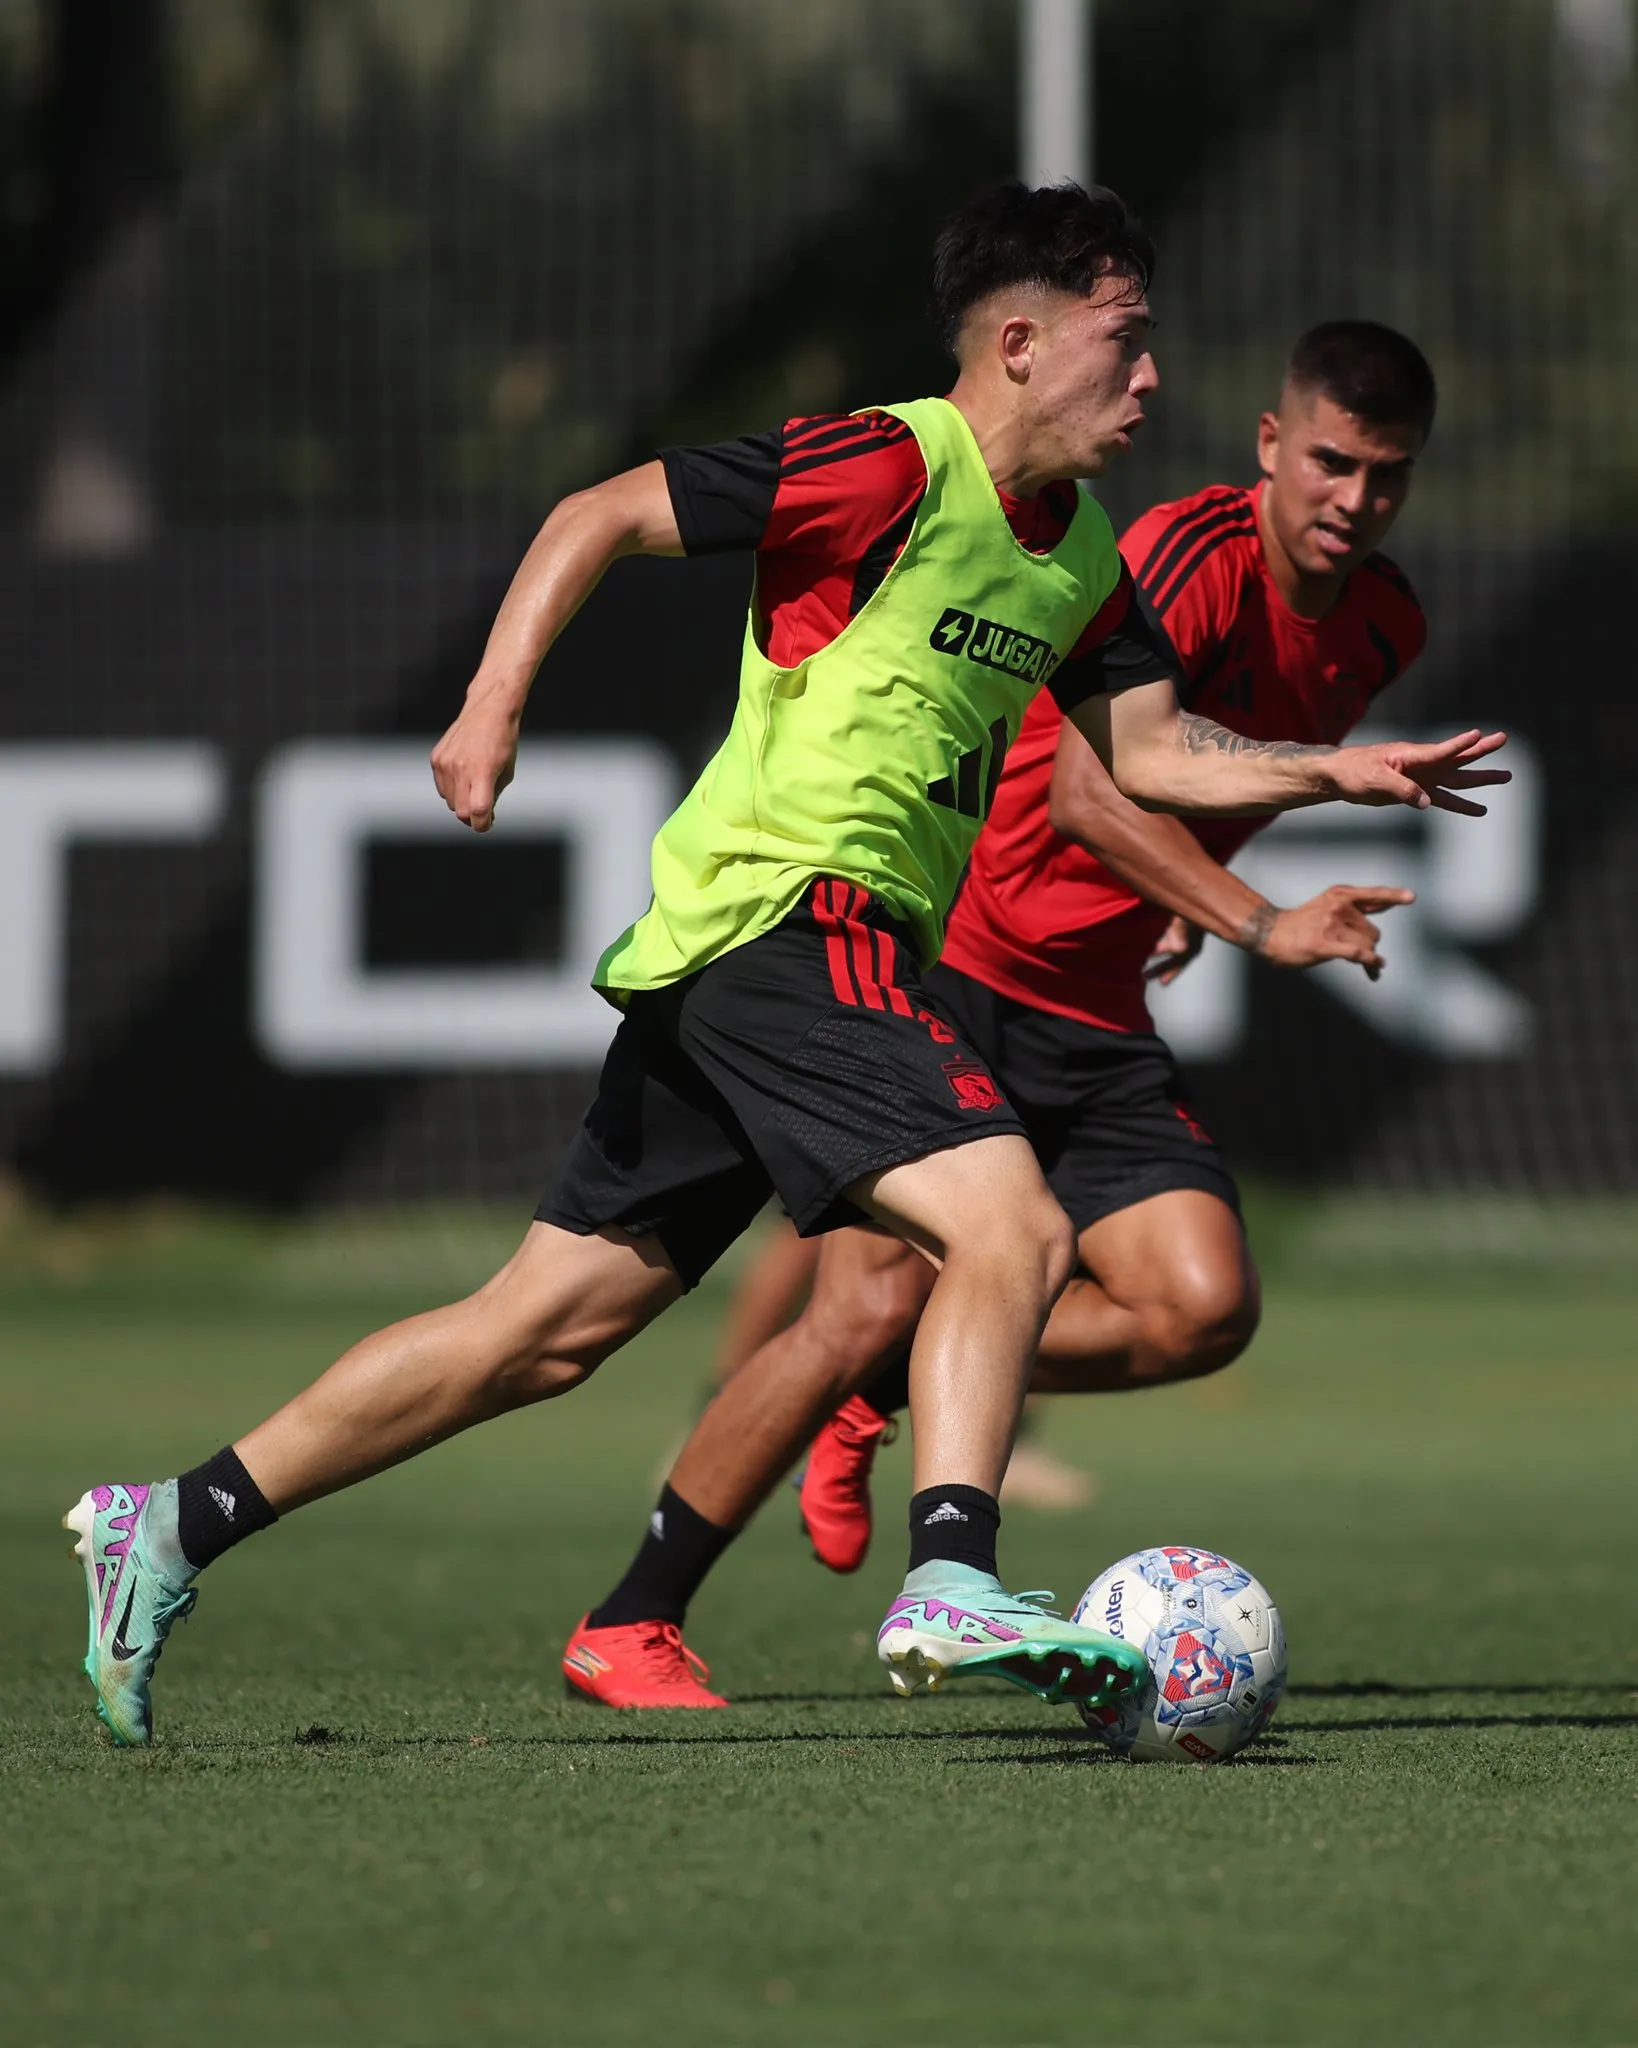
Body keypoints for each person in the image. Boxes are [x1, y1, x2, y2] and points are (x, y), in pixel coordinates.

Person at [66, 188, 1503, 1746]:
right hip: (786, 916)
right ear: (1018, 346)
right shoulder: (886, 460)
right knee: (1006, 1220)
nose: (1150, 380)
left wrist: (1334, 773)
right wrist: (491, 702)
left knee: (536, 1333)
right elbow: (596, 513)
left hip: (767, 956)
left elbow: (1154, 753)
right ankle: (951, 1570)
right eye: (1124, 340)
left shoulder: (1078, 552)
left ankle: (173, 1522)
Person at [567, 319, 1441, 1705]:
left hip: (1094, 1014)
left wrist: (1182, 905)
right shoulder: (1175, 555)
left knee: (1200, 1307)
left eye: (1385, 476)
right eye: (1331, 462)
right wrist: (1245, 921)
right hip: (968, 969)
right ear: (1271, 445)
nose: (1353, 500)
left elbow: (1225, 782)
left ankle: (907, 1388)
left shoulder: (1385, 620)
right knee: (852, 1313)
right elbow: (1100, 788)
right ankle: (636, 1612)